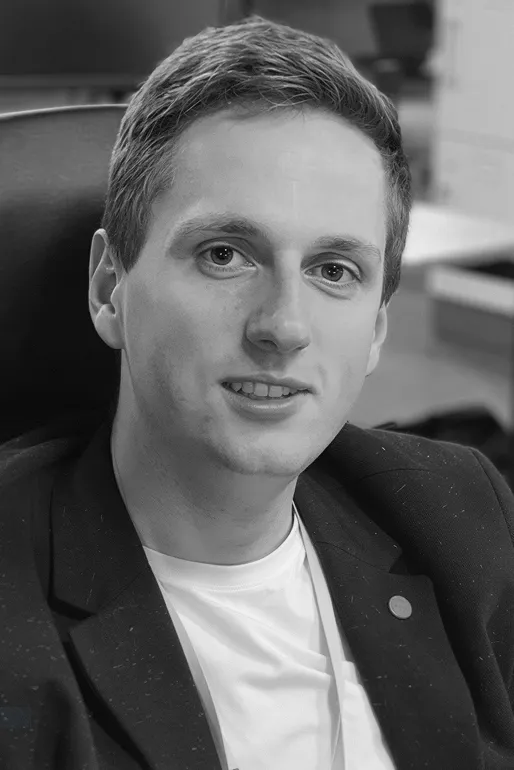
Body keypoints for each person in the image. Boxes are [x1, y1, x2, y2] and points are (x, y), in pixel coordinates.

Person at [1, 14, 514, 770]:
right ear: (110, 288)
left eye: (335, 270)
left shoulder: (459, 512)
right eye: (224, 254)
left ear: (376, 328)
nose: (283, 326)